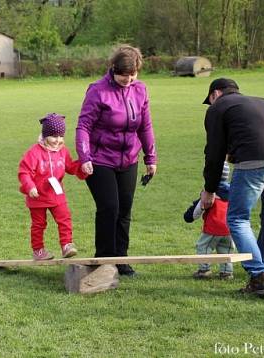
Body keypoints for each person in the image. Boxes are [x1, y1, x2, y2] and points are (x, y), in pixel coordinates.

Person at [200, 78, 264, 298]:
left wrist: (210, 189)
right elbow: (258, 131)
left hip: (254, 161)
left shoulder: (217, 108)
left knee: (237, 218)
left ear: (215, 94)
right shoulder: (263, 102)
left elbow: (214, 154)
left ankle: (259, 276)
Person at [75, 45, 157, 276]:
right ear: (113, 69)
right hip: (99, 159)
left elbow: (145, 126)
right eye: (124, 74)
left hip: (129, 158)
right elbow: (84, 126)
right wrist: (84, 156)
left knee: (124, 210)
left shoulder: (140, 90)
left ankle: (121, 258)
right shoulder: (97, 91)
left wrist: (151, 157)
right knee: (109, 207)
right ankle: (103, 258)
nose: (128, 79)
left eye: (133, 75)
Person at [18, 113, 88, 260]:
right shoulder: (34, 153)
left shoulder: (63, 151)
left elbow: (70, 166)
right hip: (37, 196)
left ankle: (66, 245)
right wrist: (30, 186)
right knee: (39, 224)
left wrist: (82, 167)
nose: (58, 140)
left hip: (56, 194)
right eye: (54, 136)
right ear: (45, 135)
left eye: (61, 136)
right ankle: (38, 251)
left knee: (65, 218)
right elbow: (24, 172)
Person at [184, 163, 234, 280]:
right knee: (226, 249)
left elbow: (195, 213)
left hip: (213, 227)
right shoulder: (233, 191)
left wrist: (189, 216)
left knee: (203, 247)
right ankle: (226, 272)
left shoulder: (209, 193)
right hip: (229, 228)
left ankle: (204, 269)